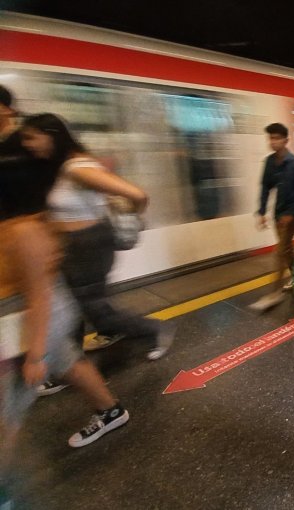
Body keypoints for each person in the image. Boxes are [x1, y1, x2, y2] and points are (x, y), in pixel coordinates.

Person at [0, 136, 131, 506]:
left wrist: (34, 355)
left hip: (32, 321)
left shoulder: (23, 231)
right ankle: (111, 411)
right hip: (31, 319)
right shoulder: (21, 225)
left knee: (7, 412)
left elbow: (39, 296)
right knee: (69, 360)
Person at [18, 114, 175, 397]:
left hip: (89, 246)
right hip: (76, 246)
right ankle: (68, 367)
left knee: (95, 312)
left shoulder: (77, 169)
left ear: (51, 134)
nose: (28, 145)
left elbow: (137, 194)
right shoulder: (70, 166)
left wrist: (131, 220)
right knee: (73, 309)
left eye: (32, 137)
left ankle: (154, 329)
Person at [251, 122, 294, 311]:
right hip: (278, 215)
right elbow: (265, 188)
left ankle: (274, 294)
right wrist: (261, 212)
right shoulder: (270, 162)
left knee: (279, 252)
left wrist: (291, 213)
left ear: (286, 140)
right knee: (286, 252)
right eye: (271, 138)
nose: (273, 142)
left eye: (277, 138)